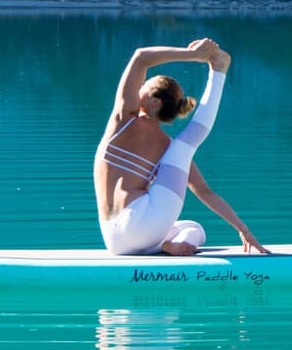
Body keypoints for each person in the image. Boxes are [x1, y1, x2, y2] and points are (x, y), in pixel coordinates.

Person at [94, 38, 266, 256]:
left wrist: (193, 54)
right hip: (137, 229)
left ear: (154, 101)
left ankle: (163, 245)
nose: (139, 87)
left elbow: (141, 57)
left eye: (144, 86)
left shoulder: (122, 122)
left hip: (114, 240)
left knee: (194, 228)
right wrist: (244, 230)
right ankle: (219, 70)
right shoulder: (170, 149)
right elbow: (205, 192)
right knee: (187, 148)